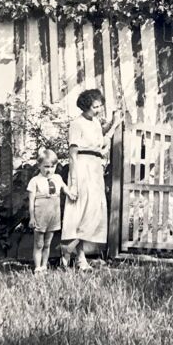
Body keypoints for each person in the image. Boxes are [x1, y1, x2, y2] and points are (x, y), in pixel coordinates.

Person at [60, 89, 123, 271]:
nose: (99, 110)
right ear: (86, 106)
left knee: (94, 211)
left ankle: (75, 254)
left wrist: (114, 125)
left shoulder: (95, 122)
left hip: (95, 169)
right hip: (81, 168)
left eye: (100, 106)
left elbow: (101, 143)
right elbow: (72, 154)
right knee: (81, 211)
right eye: (95, 107)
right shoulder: (76, 124)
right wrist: (73, 181)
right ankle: (74, 255)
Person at [27, 149, 76, 274]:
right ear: (39, 166)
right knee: (39, 243)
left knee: (47, 243)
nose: (49, 170)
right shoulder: (35, 181)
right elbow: (31, 201)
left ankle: (44, 266)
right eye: (46, 166)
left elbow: (64, 187)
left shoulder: (57, 178)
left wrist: (70, 194)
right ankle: (37, 267)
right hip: (40, 215)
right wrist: (32, 217)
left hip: (53, 215)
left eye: (52, 166)